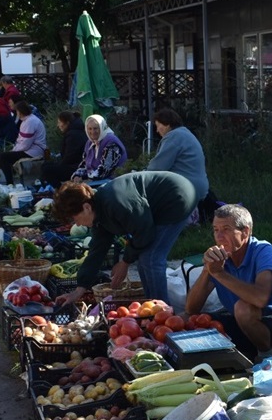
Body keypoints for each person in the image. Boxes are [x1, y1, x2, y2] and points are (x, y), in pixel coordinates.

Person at [50, 172, 197, 306]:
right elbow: (97, 251)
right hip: (160, 205)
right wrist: (79, 290)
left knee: (151, 259)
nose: (77, 224)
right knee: (143, 260)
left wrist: (125, 261)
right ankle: (152, 304)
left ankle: (163, 312)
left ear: (86, 207)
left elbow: (144, 231)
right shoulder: (99, 215)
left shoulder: (115, 202)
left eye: (75, 218)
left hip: (175, 196)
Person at [186, 203, 272, 362]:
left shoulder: (263, 251)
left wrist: (219, 273)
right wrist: (208, 269)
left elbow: (260, 298)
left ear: (245, 232)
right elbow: (191, 308)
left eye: (226, 229)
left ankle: (265, 356)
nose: (219, 237)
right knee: (190, 319)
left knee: (243, 309)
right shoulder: (221, 257)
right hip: (242, 325)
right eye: (216, 230)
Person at [146, 107, 209, 203]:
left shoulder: (173, 137)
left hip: (186, 188)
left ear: (167, 124)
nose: (157, 130)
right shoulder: (185, 133)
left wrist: (139, 175)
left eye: (158, 125)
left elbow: (157, 167)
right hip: (198, 186)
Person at [0, 101, 47, 186]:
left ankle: (10, 183)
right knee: (4, 156)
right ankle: (10, 181)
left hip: (34, 151)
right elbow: (21, 140)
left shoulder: (30, 122)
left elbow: (25, 144)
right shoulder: (27, 120)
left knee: (2, 157)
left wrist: (14, 151)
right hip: (30, 149)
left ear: (20, 111)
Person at [70, 114, 127, 182]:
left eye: (95, 128)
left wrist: (84, 178)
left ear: (102, 127)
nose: (92, 132)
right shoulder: (90, 142)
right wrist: (77, 175)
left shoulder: (112, 143)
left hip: (112, 181)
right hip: (94, 179)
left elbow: (105, 170)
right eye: (90, 129)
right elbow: (84, 163)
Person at [41, 110, 88, 188]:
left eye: (60, 122)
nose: (58, 125)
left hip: (77, 167)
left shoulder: (73, 135)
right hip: (76, 165)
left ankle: (60, 191)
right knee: (47, 165)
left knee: (47, 170)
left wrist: (59, 163)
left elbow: (70, 157)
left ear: (67, 123)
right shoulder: (75, 132)